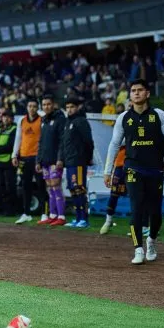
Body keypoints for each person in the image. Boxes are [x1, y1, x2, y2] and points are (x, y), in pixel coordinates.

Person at [103, 80, 164, 264]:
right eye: (133, 91)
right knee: (136, 208)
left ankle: (151, 242)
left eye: (140, 90)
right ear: (130, 95)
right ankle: (138, 249)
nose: (136, 93)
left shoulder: (159, 115)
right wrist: (107, 171)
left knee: (155, 213)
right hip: (132, 168)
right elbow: (114, 144)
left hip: (155, 169)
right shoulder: (123, 117)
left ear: (147, 93)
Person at [61, 96, 94, 229]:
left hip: (79, 161)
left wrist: (88, 158)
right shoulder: (68, 123)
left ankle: (84, 219)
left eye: (72, 107)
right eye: (67, 107)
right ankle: (78, 217)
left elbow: (89, 142)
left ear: (77, 107)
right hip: (69, 162)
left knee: (80, 189)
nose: (69, 110)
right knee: (73, 190)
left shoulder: (81, 121)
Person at [12, 99, 47, 224]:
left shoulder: (42, 119)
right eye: (30, 106)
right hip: (24, 157)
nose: (31, 108)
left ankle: (44, 213)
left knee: (41, 185)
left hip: (37, 157)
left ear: (37, 108)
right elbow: (18, 138)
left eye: (34, 106)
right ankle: (26, 213)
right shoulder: (21, 120)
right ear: (27, 107)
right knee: (25, 186)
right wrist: (14, 155)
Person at [101, 101, 132, 235]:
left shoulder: (144, 122)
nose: (132, 107)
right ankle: (108, 221)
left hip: (135, 165)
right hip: (120, 165)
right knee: (114, 194)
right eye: (129, 105)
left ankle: (141, 226)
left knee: (137, 196)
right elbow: (116, 142)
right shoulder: (122, 120)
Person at [36, 94, 67, 226]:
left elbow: (62, 141)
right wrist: (38, 160)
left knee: (56, 185)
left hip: (55, 160)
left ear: (53, 104)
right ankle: (53, 214)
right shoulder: (43, 120)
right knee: (49, 187)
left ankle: (61, 216)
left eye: (48, 104)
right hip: (45, 160)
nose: (46, 107)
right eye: (44, 105)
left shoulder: (60, 118)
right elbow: (41, 141)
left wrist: (60, 159)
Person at [0, 110, 18, 218]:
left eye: (8, 117)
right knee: (0, 187)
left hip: (8, 163)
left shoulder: (14, 129)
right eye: (4, 117)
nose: (5, 119)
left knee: (9, 187)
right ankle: (1, 209)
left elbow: (9, 146)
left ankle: (11, 210)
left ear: (12, 119)